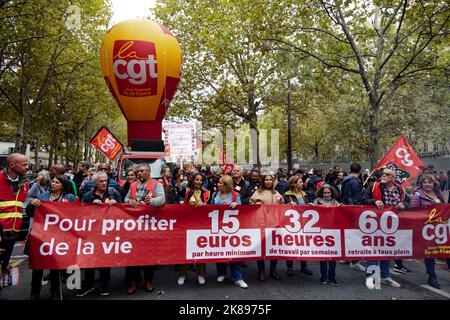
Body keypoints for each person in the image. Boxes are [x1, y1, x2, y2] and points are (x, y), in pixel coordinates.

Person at [26, 174, 76, 300]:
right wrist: (31, 204)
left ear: (63, 186)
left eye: (57, 182)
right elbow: (29, 212)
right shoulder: (43, 195)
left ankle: (55, 290)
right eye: (52, 181)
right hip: (41, 235)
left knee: (55, 266)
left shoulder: (69, 197)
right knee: (38, 266)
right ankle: (34, 292)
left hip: (59, 236)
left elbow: (75, 215)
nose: (53, 184)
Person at [76, 171, 123, 297]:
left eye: (105, 181)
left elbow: (124, 211)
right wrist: (91, 206)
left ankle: (105, 284)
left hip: (108, 233)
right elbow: (81, 213)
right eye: (101, 181)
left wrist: (116, 204)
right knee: (89, 259)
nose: (104, 183)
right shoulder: (87, 195)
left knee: (105, 259)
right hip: (92, 232)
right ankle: (89, 284)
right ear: (95, 182)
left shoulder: (114, 193)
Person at [363, 168, 408, 289]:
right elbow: (363, 199)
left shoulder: (399, 189)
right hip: (375, 224)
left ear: (393, 178)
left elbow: (407, 201)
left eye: (387, 175)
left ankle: (384, 276)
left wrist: (403, 205)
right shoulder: (374, 186)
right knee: (373, 251)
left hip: (393, 225)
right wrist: (375, 201)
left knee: (387, 251)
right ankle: (370, 277)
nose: (384, 176)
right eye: (383, 174)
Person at [124, 163, 165, 294]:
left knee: (148, 254)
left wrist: (151, 201)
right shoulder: (133, 185)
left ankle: (148, 280)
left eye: (141, 171)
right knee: (132, 254)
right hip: (134, 225)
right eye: (138, 171)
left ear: (148, 171)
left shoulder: (156, 184)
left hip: (149, 224)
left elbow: (162, 200)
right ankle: (133, 281)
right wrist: (129, 201)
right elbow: (126, 198)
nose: (139, 173)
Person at [410, 174, 448, 289]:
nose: (427, 184)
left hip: (440, 228)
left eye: (430, 182)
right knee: (430, 253)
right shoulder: (417, 196)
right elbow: (413, 213)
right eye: (425, 182)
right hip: (426, 229)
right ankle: (432, 277)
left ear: (434, 183)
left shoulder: (438, 194)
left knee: (446, 250)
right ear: (421, 184)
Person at [210, 175, 248, 288]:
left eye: (221, 183)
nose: (218, 184)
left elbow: (242, 211)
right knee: (219, 251)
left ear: (227, 184)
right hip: (218, 227)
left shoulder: (235, 195)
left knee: (234, 252)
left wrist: (238, 205)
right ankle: (222, 273)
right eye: (219, 183)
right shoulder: (215, 195)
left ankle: (238, 277)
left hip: (232, 229)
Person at [0, 153, 30, 280]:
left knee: (4, 265)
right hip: (0, 230)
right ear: (12, 165)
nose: (27, 167)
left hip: (13, 232)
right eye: (24, 165)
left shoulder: (25, 183)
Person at [250, 174, 284, 282]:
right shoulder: (258, 192)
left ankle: (273, 270)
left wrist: (283, 202)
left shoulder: (276, 192)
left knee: (273, 248)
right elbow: (250, 202)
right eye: (267, 180)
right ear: (263, 181)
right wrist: (256, 203)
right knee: (261, 248)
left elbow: (282, 204)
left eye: (270, 180)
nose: (269, 182)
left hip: (274, 224)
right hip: (261, 224)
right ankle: (261, 271)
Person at [177, 173, 209, 286]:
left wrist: (204, 205)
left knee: (200, 251)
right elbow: (177, 188)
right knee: (184, 250)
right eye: (196, 179)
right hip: (186, 224)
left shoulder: (207, 193)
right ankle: (182, 274)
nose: (198, 182)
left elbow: (211, 209)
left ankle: (200, 274)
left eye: (201, 180)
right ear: (193, 180)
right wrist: (179, 177)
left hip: (201, 225)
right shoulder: (187, 191)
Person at [283, 176, 313, 277]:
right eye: (300, 182)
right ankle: (289, 267)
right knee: (290, 244)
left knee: (303, 244)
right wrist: (288, 204)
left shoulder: (304, 194)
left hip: (304, 222)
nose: (302, 183)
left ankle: (304, 265)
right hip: (291, 224)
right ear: (294, 184)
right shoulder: (287, 195)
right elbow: (282, 208)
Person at [339, 163, 366, 271]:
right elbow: (357, 197)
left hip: (346, 208)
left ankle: (345, 257)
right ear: (360, 171)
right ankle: (354, 261)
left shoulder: (345, 180)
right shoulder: (355, 182)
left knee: (347, 234)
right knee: (355, 235)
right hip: (353, 210)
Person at [312, 184, 341, 285]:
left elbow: (341, 212)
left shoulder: (334, 202)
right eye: (324, 192)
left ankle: (332, 277)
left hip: (333, 231)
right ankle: (323, 276)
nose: (326, 194)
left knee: (333, 256)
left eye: (328, 193)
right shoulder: (317, 201)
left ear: (331, 193)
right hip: (321, 231)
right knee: (323, 256)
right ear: (321, 193)